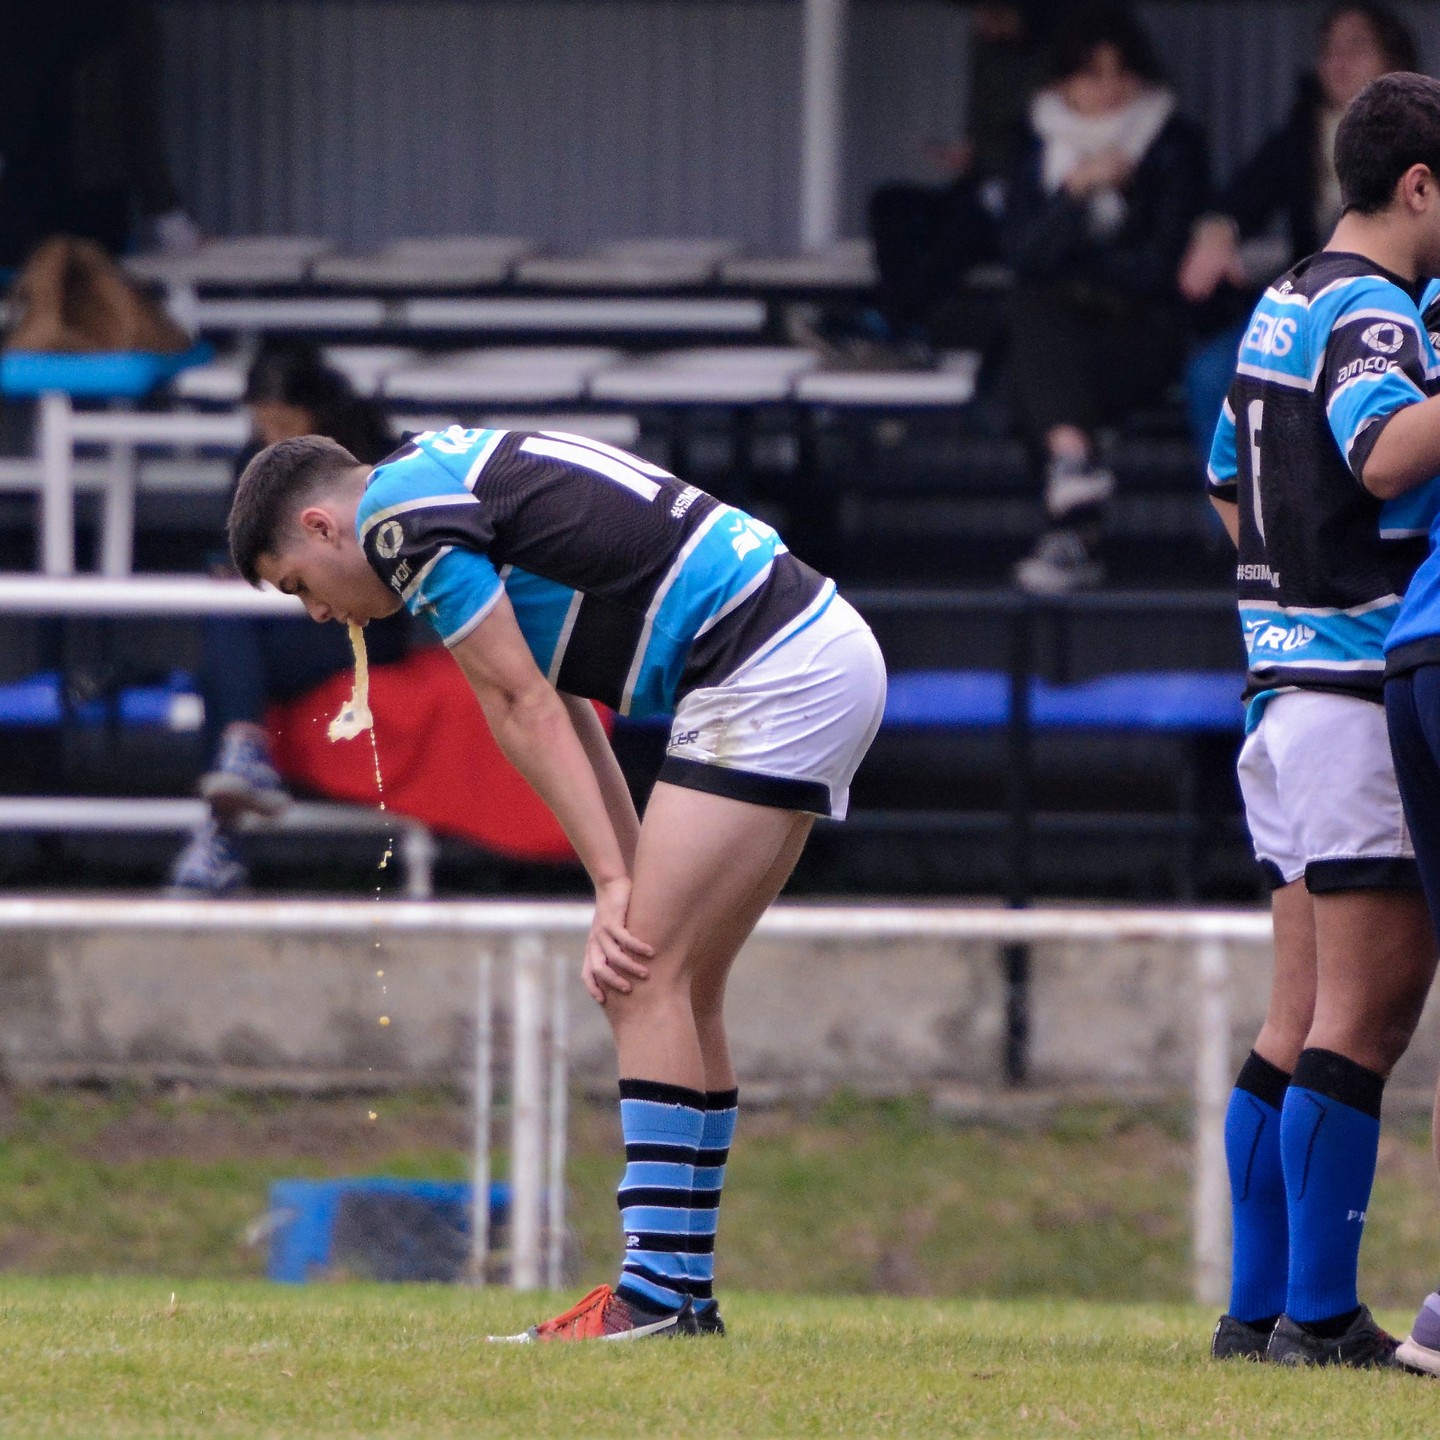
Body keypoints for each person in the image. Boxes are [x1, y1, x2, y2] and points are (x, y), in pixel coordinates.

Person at [226, 425, 887, 1340]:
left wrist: (618, 885)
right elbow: (562, 697)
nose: (315, 613)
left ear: (321, 525)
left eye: (299, 583)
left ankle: (655, 1297)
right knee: (677, 983)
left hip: (767, 666)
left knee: (640, 975)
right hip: (807, 648)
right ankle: (681, 1300)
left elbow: (516, 705)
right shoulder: (435, 478)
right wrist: (616, 875)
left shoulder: (396, 525)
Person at [1205, 71, 1440, 1368]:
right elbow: (1388, 449)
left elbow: (1221, 490)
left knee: (1292, 1015)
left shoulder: (1276, 302)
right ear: (1419, 188)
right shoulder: (1372, 309)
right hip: (1355, 697)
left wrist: (1286, 593)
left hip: (1279, 688)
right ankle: (1316, 1313)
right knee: (1369, 1011)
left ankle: (1257, 1311)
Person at [166, 344, 410, 895]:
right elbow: (242, 553)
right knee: (227, 618)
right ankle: (241, 758)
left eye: (283, 421)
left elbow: (382, 566)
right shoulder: (255, 462)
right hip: (280, 616)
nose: (270, 433)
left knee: (225, 658)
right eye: (261, 420)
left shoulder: (371, 458)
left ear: (314, 411)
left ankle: (221, 837)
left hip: (359, 621)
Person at [1004, 2, 1208, 593]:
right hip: (1058, 331)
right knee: (1035, 314)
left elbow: (1160, 266)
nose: (1110, 88)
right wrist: (1075, 191)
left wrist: (1084, 253)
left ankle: (1072, 514)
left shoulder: (1173, 141)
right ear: (1062, 82)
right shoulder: (1033, 139)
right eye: (1092, 73)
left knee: (1037, 353)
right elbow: (1021, 252)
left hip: (1142, 331)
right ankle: (1073, 492)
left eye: (1122, 71)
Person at [1178, 2, 1419, 460]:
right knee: (1212, 373)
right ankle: (1241, 529)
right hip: (1311, 314)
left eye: (1356, 48)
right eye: (1328, 51)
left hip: (1400, 311)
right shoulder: (1303, 130)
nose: (1337, 63)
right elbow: (1242, 198)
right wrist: (1218, 232)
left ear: (1395, 59)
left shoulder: (1423, 133)